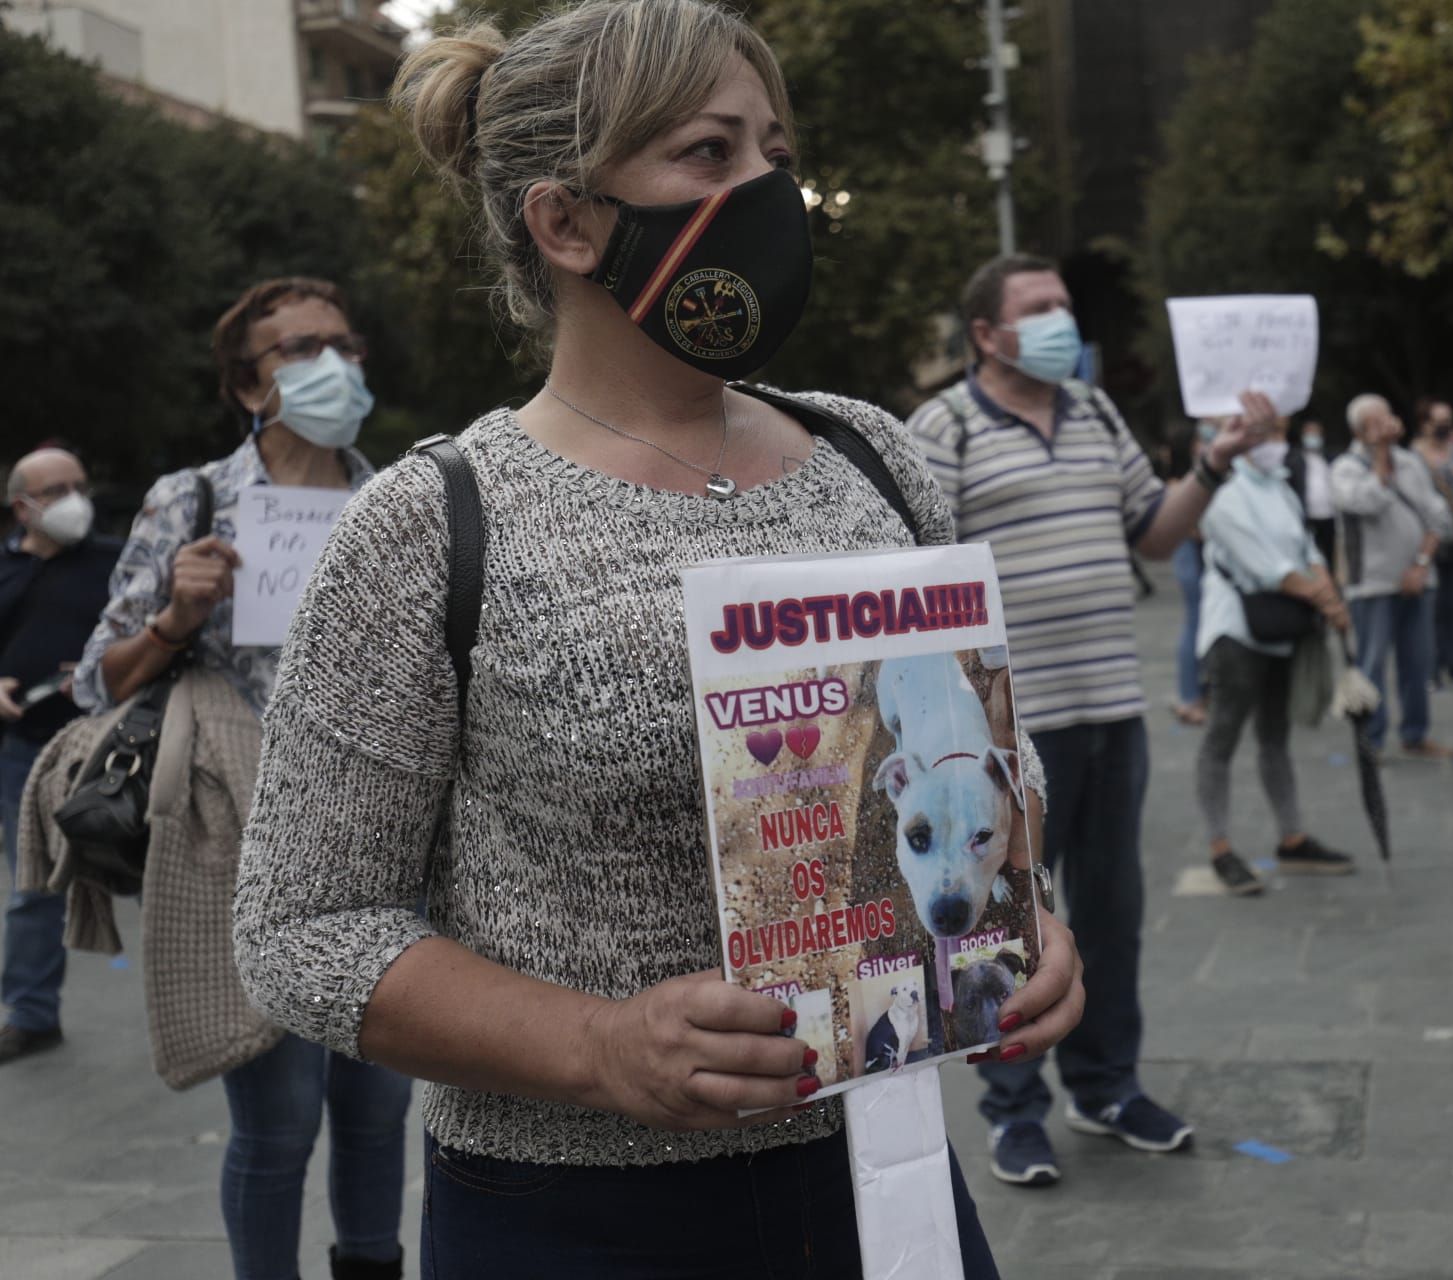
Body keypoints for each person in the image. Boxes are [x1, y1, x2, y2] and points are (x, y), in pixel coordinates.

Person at [232, 8, 1085, 1277]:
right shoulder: (431, 523)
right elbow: (301, 925)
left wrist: (1027, 919)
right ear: (567, 222)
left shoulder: (874, 457)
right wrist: (596, 1042)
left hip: (882, 1176)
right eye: (708, 153)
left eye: (774, 149)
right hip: (568, 1218)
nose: (771, 192)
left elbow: (987, 756)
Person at [71, 277, 410, 1280]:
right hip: (244, 841)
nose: (332, 366)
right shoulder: (195, 498)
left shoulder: (390, 495)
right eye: (301, 350)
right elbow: (99, 675)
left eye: (343, 345)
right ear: (248, 387)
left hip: (381, 842)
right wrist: (177, 613)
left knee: (379, 1103)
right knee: (280, 1113)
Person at [906, 252, 1265, 1186]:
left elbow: (1154, 530)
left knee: (1112, 912)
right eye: (1040, 308)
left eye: (1064, 304)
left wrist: (1215, 463)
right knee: (1013, 923)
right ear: (987, 335)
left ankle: (1106, 1085)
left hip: (1112, 707)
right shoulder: (941, 427)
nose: (1063, 319)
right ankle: (1013, 1108)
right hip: (1007, 744)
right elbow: (916, 576)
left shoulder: (1098, 411)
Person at [0, 448, 120, 1064]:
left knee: (170, 876)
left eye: (79, 483)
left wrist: (108, 667)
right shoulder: (5, 570)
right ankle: (31, 1013)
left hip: (120, 748)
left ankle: (225, 1012)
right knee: (34, 887)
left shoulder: (114, 560)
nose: (75, 498)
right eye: (57, 489)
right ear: (23, 507)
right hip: (29, 752)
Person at [1194, 437, 1354, 895]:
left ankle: (1292, 836)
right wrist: (1328, 600)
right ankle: (1220, 846)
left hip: (1279, 632)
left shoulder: (1282, 487)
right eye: (1264, 432)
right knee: (1222, 736)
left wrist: (1327, 590)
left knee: (1275, 736)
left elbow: (1309, 551)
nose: (1275, 442)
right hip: (1236, 634)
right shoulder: (1223, 492)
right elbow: (1266, 566)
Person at [1331, 394, 1453, 760]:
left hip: (1418, 580)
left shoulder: (1411, 463)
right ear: (1358, 430)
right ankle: (1371, 740)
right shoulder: (1345, 468)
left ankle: (1415, 734)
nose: (1386, 425)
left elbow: (1439, 517)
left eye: (1388, 417)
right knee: (1370, 665)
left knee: (1418, 662)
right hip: (1370, 584)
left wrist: (1421, 564)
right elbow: (1368, 501)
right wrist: (1381, 456)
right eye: (1375, 421)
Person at [1412, 397, 1453, 690]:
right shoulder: (1413, 457)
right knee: (1432, 609)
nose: (1445, 427)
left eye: (1448, 420)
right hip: (1429, 541)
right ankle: (1431, 669)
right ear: (1425, 424)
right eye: (1439, 421)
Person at [1171, 421, 1217, 727]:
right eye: (1202, 436)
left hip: (1207, 554)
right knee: (1196, 620)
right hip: (1189, 553)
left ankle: (1204, 692)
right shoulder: (1180, 482)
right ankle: (1190, 697)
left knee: (1209, 624)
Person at [1294, 417, 1338, 568]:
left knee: (1330, 551)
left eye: (1316, 433)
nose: (1312, 437)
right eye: (1309, 433)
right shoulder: (1295, 459)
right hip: (1307, 515)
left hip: (1329, 514)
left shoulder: (1330, 458)